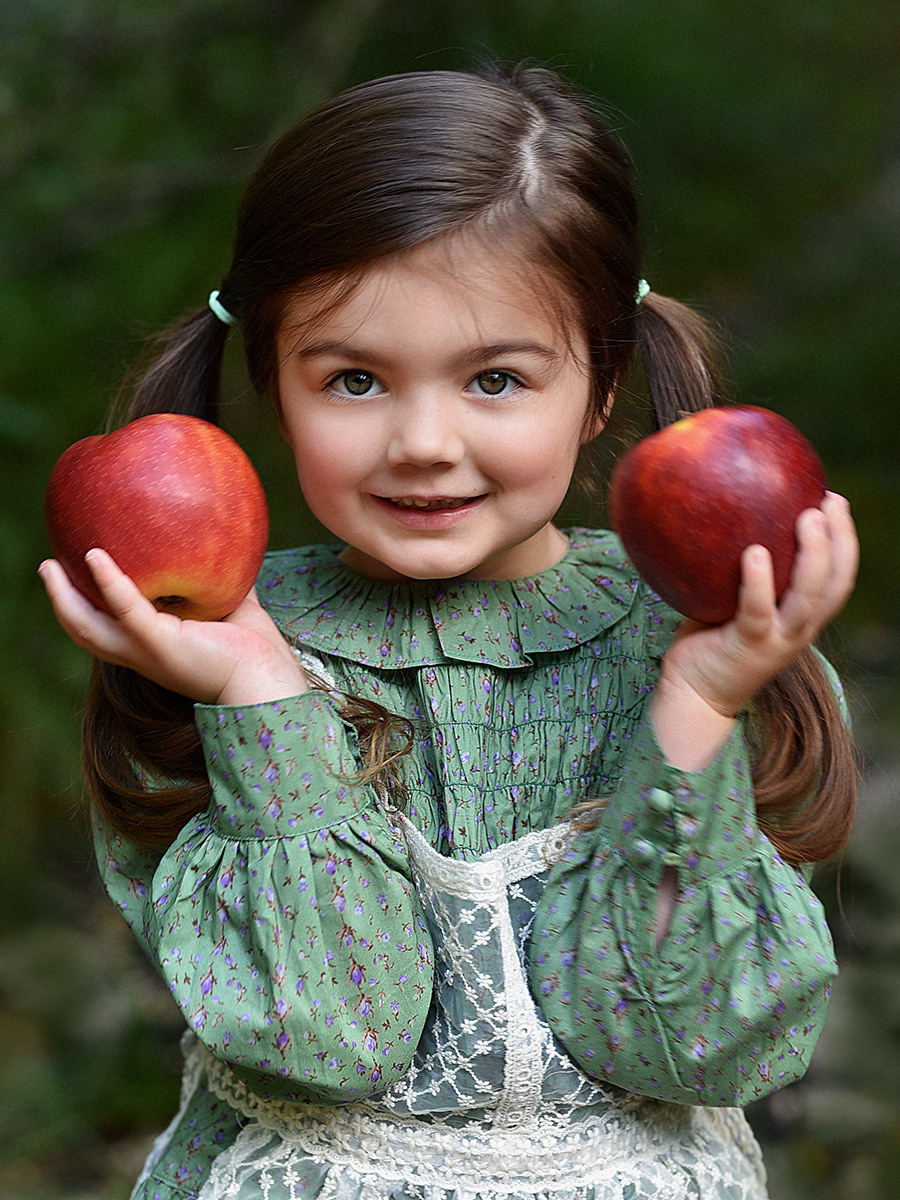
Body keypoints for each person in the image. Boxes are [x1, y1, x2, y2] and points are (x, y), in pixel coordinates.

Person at [39, 64, 859, 1200]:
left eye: (497, 379)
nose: (425, 441)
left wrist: (699, 705)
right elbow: (333, 1041)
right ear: (275, 385)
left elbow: (687, 1044)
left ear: (601, 382)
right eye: (359, 380)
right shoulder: (200, 642)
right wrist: (259, 695)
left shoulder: (713, 640)